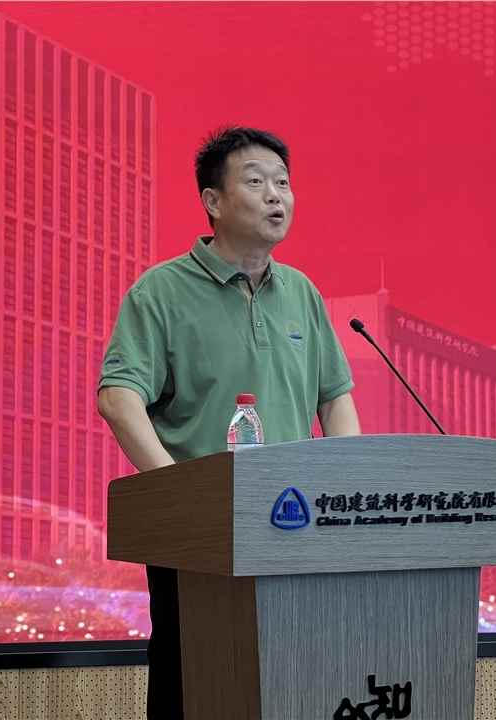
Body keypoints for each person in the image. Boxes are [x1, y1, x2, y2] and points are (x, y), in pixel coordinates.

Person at [96, 126, 361, 719]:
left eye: (283, 183)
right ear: (213, 201)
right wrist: (180, 494)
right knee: (197, 682)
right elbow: (118, 397)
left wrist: (347, 483)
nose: (275, 195)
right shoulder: (161, 291)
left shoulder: (301, 293)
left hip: (295, 524)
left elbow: (335, 398)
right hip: (199, 535)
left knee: (294, 681)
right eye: (257, 181)